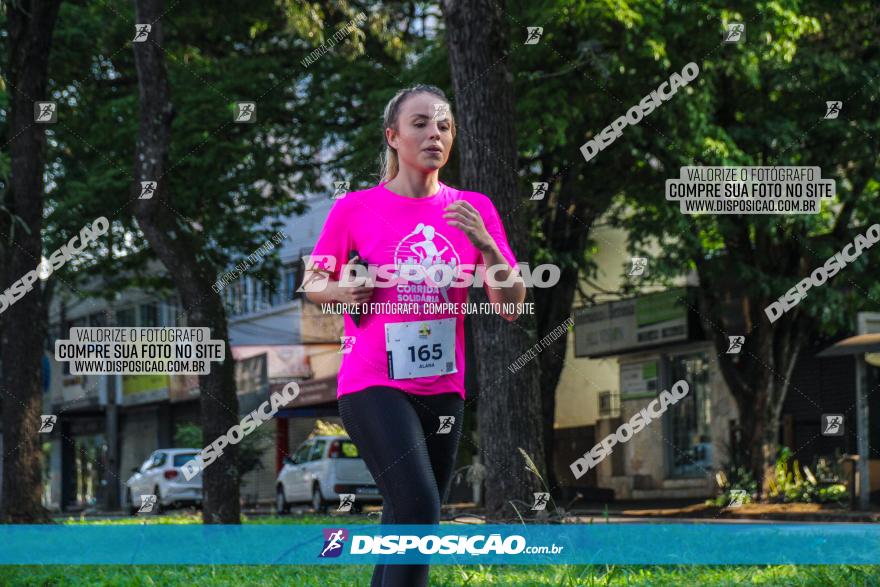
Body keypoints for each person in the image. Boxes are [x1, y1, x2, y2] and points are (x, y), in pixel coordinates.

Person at [304, 84, 525, 587]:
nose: (434, 134)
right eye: (421, 123)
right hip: (372, 382)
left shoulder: (473, 208)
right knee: (419, 504)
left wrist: (487, 246)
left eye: (444, 125)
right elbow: (312, 284)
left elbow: (510, 305)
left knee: (406, 520)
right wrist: (344, 289)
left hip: (443, 387)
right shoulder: (355, 209)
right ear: (393, 136)